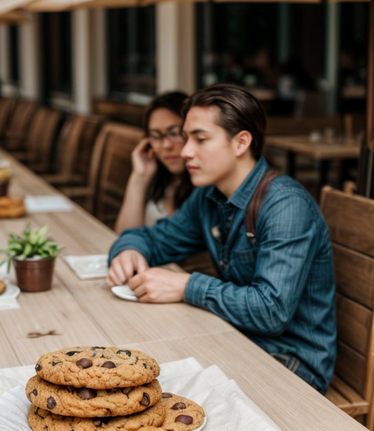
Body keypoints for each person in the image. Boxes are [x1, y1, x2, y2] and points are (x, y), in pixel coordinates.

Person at [107, 84, 336, 393]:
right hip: (236, 338)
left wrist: (187, 285)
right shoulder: (208, 197)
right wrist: (129, 249)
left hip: (291, 365)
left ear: (241, 142)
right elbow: (153, 238)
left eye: (200, 139)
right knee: (128, 360)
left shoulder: (285, 205)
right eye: (187, 138)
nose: (186, 151)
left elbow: (272, 311)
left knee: (150, 385)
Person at [114, 92, 193, 234]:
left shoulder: (205, 190)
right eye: (156, 136)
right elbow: (125, 238)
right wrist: (139, 178)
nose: (166, 145)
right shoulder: (159, 179)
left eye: (174, 133)